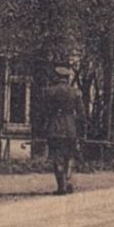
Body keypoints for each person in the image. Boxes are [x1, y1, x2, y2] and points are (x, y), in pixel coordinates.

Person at [42, 64, 85, 195]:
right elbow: (81, 114)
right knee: (69, 156)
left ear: (56, 77)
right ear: (67, 78)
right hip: (70, 129)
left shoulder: (49, 91)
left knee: (56, 156)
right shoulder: (75, 92)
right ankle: (67, 180)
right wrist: (76, 125)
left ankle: (61, 186)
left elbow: (45, 111)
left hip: (54, 128)